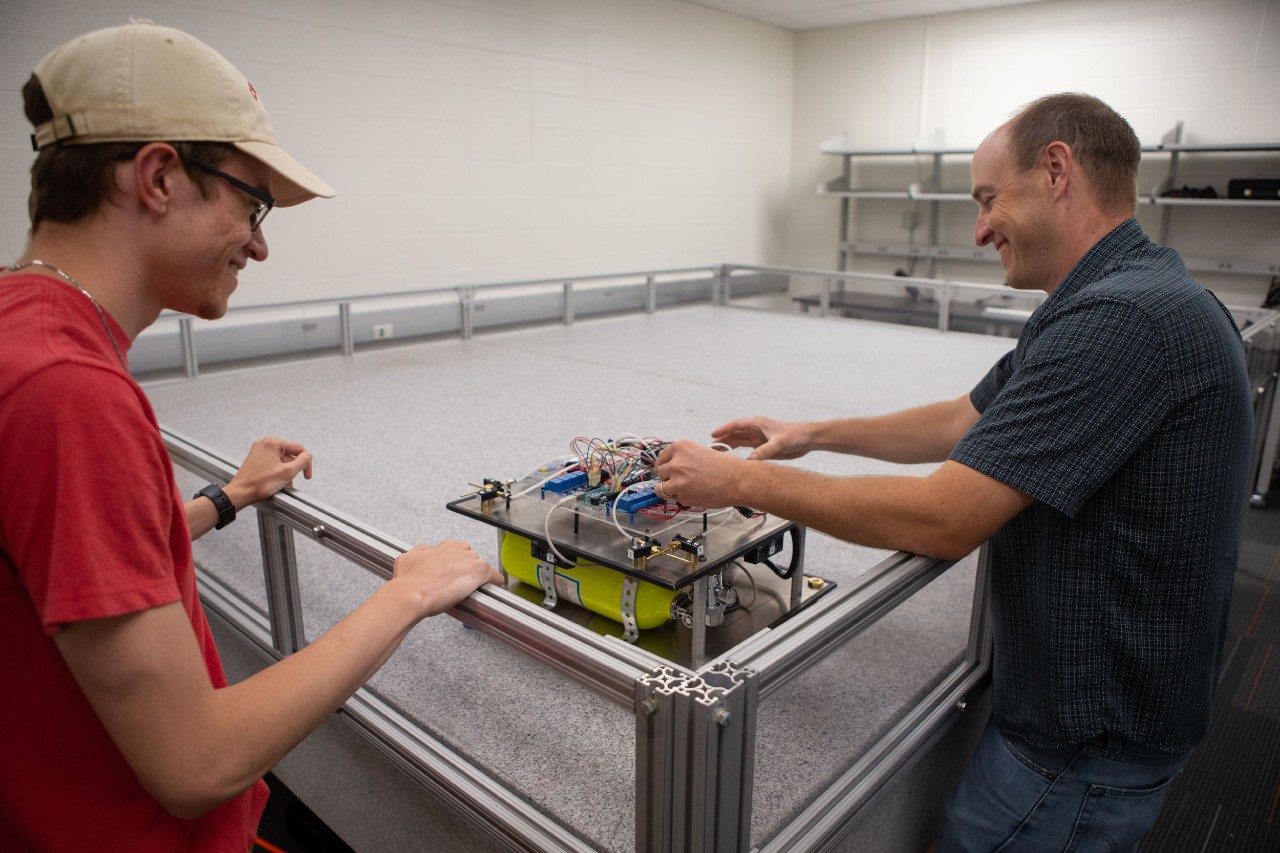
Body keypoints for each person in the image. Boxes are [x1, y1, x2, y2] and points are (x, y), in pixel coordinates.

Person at [654, 93, 1252, 850]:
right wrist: (811, 433)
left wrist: (738, 483)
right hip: (1095, 724)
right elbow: (965, 420)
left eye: (988, 199)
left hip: (1080, 751)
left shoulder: (1122, 322)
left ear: (1057, 171)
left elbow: (942, 519)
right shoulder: (1121, 295)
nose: (978, 230)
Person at [0, 21, 502, 851]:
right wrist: (407, 590)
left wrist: (226, 497)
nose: (261, 243)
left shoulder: (22, 324)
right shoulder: (67, 391)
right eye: (250, 201)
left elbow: (70, 557)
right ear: (159, 176)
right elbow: (196, 760)